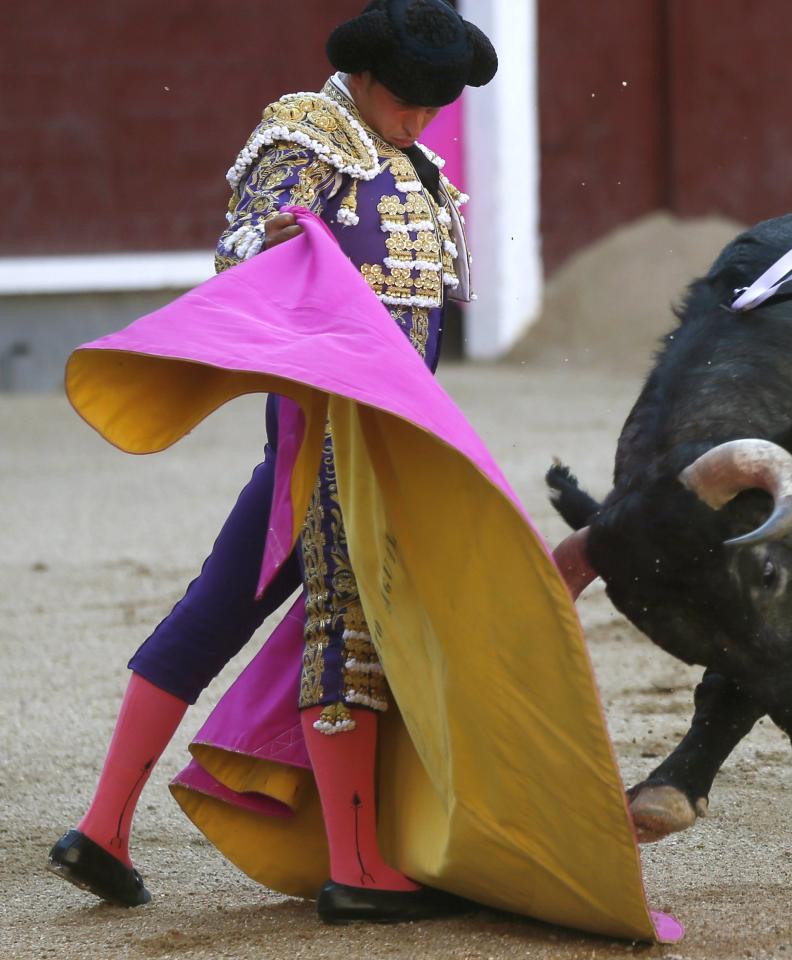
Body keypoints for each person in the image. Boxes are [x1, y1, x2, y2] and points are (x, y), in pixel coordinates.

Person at [49, 0, 495, 924]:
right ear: (364, 77)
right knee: (351, 613)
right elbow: (244, 251)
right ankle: (360, 868)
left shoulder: (411, 162)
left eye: (434, 105)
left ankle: (101, 830)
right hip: (333, 424)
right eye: (407, 100)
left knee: (219, 606)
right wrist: (293, 241)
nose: (418, 119)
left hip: (388, 432)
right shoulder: (305, 134)